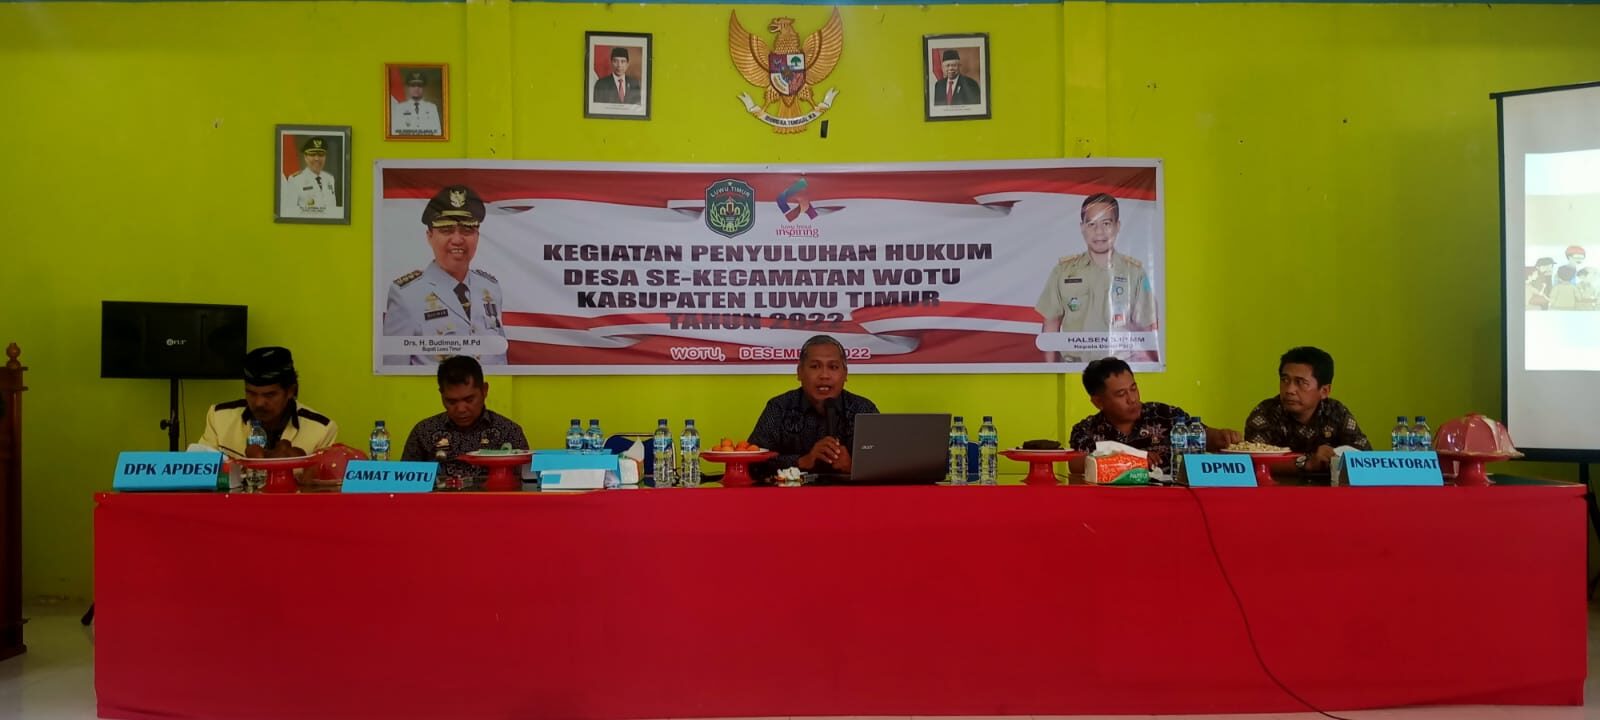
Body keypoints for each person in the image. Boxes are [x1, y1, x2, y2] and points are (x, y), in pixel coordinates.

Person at [383, 184, 509, 366]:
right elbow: (393, 372)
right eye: (446, 230)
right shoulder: (406, 295)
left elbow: (500, 357)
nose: (457, 239)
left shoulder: (490, 289)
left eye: (467, 230)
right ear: (429, 236)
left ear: (477, 236)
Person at [1035, 193, 1158, 362]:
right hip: (1073, 368)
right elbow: (1051, 326)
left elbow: (1147, 329)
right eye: (1091, 224)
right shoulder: (1063, 272)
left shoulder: (1135, 273)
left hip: (1119, 368)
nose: (1099, 232)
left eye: (1106, 223)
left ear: (1117, 226)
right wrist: (1052, 370)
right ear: (1082, 227)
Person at [1068, 357, 1241, 476]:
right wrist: (1132, 458)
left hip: (1171, 503)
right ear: (1098, 402)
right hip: (1111, 505)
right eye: (1121, 394)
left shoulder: (1165, 415)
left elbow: (1200, 435)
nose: (1132, 399)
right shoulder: (1086, 430)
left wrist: (1221, 436)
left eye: (1133, 389)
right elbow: (1076, 465)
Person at [748, 334, 879, 480]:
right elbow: (752, 463)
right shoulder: (779, 408)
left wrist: (853, 466)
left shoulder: (863, 409)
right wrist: (802, 461)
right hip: (792, 494)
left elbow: (885, 465)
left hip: (850, 494)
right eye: (815, 366)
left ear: (845, 374)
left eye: (833, 367)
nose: (824, 375)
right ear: (799, 372)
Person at [400, 355, 529, 490]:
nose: (461, 409)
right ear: (441, 395)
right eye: (451, 401)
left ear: (484, 390)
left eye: (469, 400)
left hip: (493, 503)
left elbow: (525, 486)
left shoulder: (508, 431)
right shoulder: (424, 432)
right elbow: (404, 484)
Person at [1243, 346, 1371, 474]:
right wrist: (1306, 463)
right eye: (1285, 380)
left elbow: (1366, 456)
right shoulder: (1265, 413)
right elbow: (1253, 463)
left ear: (1324, 391)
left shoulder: (1336, 412)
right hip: (1278, 486)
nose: (1289, 390)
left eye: (1301, 382)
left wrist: (1336, 456)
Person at [197, 347, 338, 457]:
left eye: (270, 395)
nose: (259, 403)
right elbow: (198, 474)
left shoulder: (322, 430)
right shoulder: (219, 417)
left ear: (290, 391)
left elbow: (322, 482)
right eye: (251, 393)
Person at [281, 136, 339, 217]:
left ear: (325, 157)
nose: (317, 158)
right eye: (312, 154)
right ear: (305, 157)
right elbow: (290, 213)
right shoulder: (295, 180)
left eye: (321, 154)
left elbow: (333, 209)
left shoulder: (330, 179)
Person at [391, 71, 442, 136]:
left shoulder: (432, 107)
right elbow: (395, 132)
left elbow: (437, 132)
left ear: (423, 88)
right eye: (413, 85)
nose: (416, 88)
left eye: (419, 85)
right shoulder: (399, 108)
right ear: (409, 88)